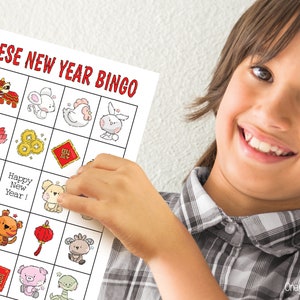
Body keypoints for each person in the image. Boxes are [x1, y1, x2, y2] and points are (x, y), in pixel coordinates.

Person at [57, 0, 300, 299]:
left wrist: (168, 248)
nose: (271, 113)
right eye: (263, 73)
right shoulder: (93, 216)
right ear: (226, 76)